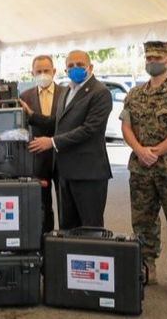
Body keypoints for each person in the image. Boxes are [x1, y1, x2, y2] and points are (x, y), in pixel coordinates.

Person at [119, 41, 167, 299]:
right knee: (142, 221)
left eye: (158, 56)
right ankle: (147, 267)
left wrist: (155, 151)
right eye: (149, 56)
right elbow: (126, 128)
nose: (152, 60)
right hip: (141, 169)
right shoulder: (134, 94)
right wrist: (141, 150)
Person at [20, 50, 112, 229]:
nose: (75, 69)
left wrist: (52, 142)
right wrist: (31, 115)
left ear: (90, 67)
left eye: (80, 65)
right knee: (68, 228)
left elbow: (89, 129)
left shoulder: (100, 92)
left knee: (90, 228)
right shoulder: (69, 90)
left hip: (88, 174)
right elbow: (58, 122)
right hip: (67, 172)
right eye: (70, 66)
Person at [19, 55, 65, 233]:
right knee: (42, 204)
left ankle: (65, 241)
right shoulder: (25, 97)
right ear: (32, 73)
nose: (43, 74)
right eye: (39, 71)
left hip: (62, 154)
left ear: (54, 72)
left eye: (46, 70)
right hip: (37, 156)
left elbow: (61, 123)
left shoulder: (66, 94)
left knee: (65, 204)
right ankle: (45, 241)